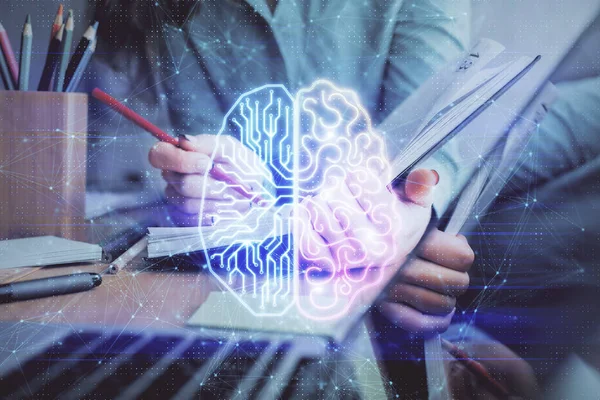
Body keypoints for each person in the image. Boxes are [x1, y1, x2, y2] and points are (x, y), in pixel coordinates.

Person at [91, 0, 475, 334]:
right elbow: (143, 180)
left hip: (373, 281)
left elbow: (434, 137)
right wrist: (196, 193)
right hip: (251, 288)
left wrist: (405, 228)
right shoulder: (153, 14)